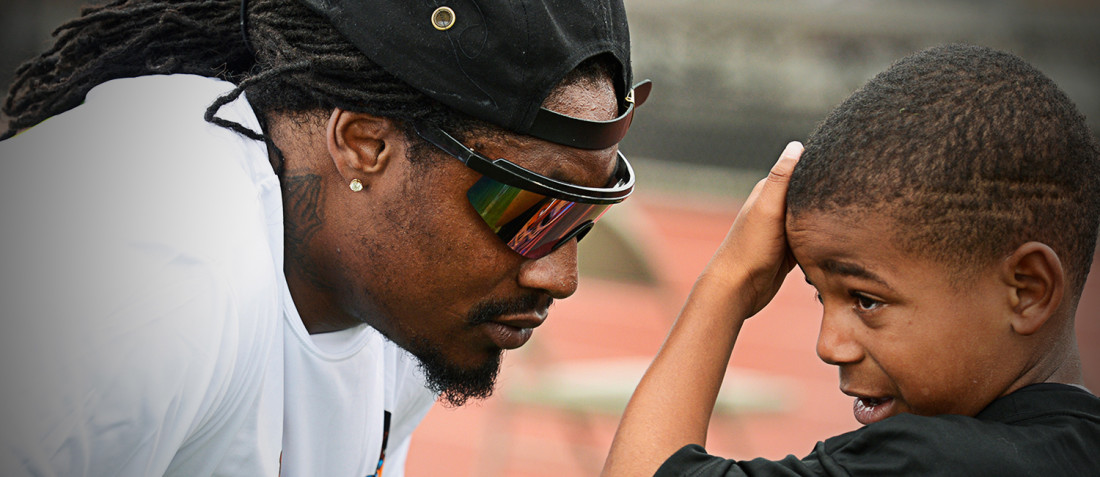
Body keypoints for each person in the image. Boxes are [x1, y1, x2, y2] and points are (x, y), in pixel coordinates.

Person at [0, 0, 650, 475]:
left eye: (578, 222)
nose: (558, 276)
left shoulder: (402, 302)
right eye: (530, 212)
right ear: (363, 144)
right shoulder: (152, 276)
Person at [602, 43, 1100, 476]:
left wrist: (730, 281)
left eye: (866, 300)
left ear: (1028, 290)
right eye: (821, 297)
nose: (829, 346)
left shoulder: (935, 461)